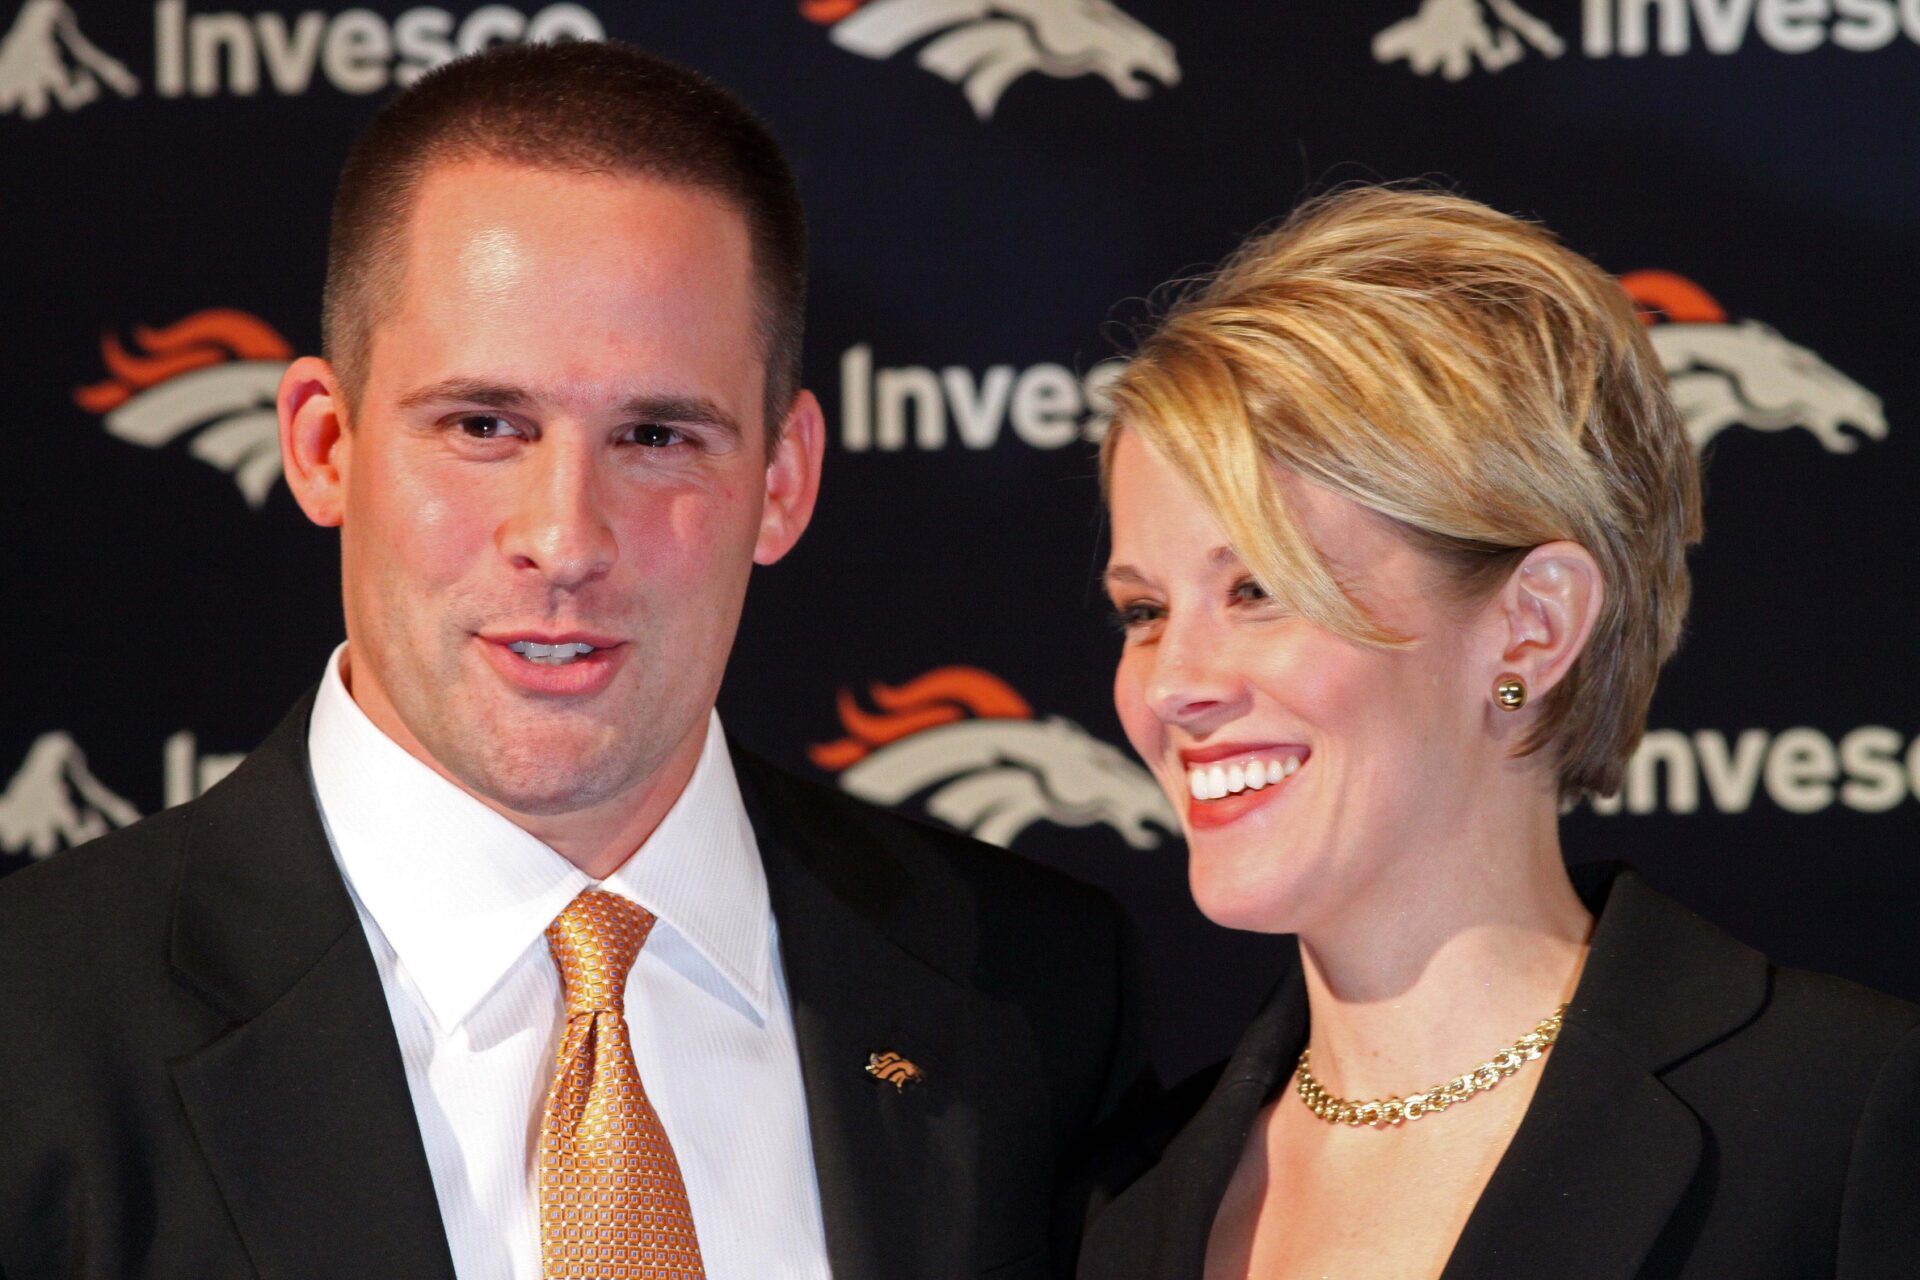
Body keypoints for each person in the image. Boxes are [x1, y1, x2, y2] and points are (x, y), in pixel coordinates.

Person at [0, 40, 1144, 1280]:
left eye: (656, 435)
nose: (564, 537)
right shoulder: (30, 1028)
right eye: (483, 425)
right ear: (324, 444)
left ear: (783, 477)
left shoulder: (1036, 995)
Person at [1075, 187, 1920, 1279]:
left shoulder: (1844, 1118)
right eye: (1144, 612)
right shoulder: (1123, 1202)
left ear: (1533, 626)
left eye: (1259, 588)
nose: (1173, 683)